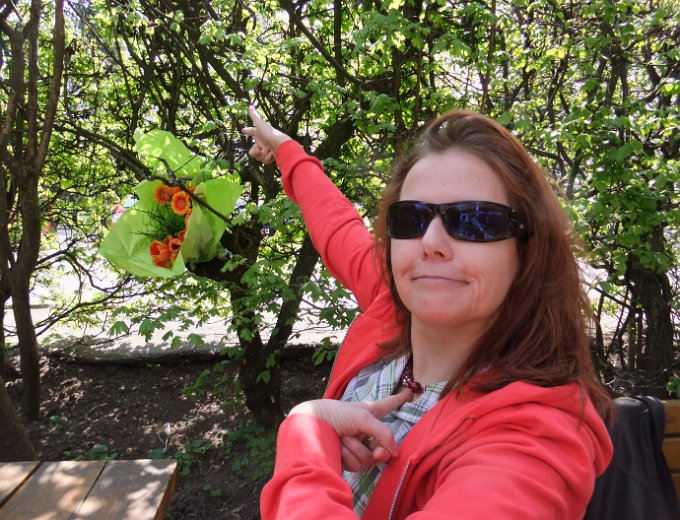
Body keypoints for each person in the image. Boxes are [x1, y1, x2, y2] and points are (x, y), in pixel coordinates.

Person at [242, 106, 613, 520]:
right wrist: (285, 149)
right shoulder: (393, 305)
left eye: (474, 221)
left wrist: (307, 430)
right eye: (412, 218)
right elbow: (336, 225)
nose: (431, 242)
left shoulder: (535, 438)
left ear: (527, 249)